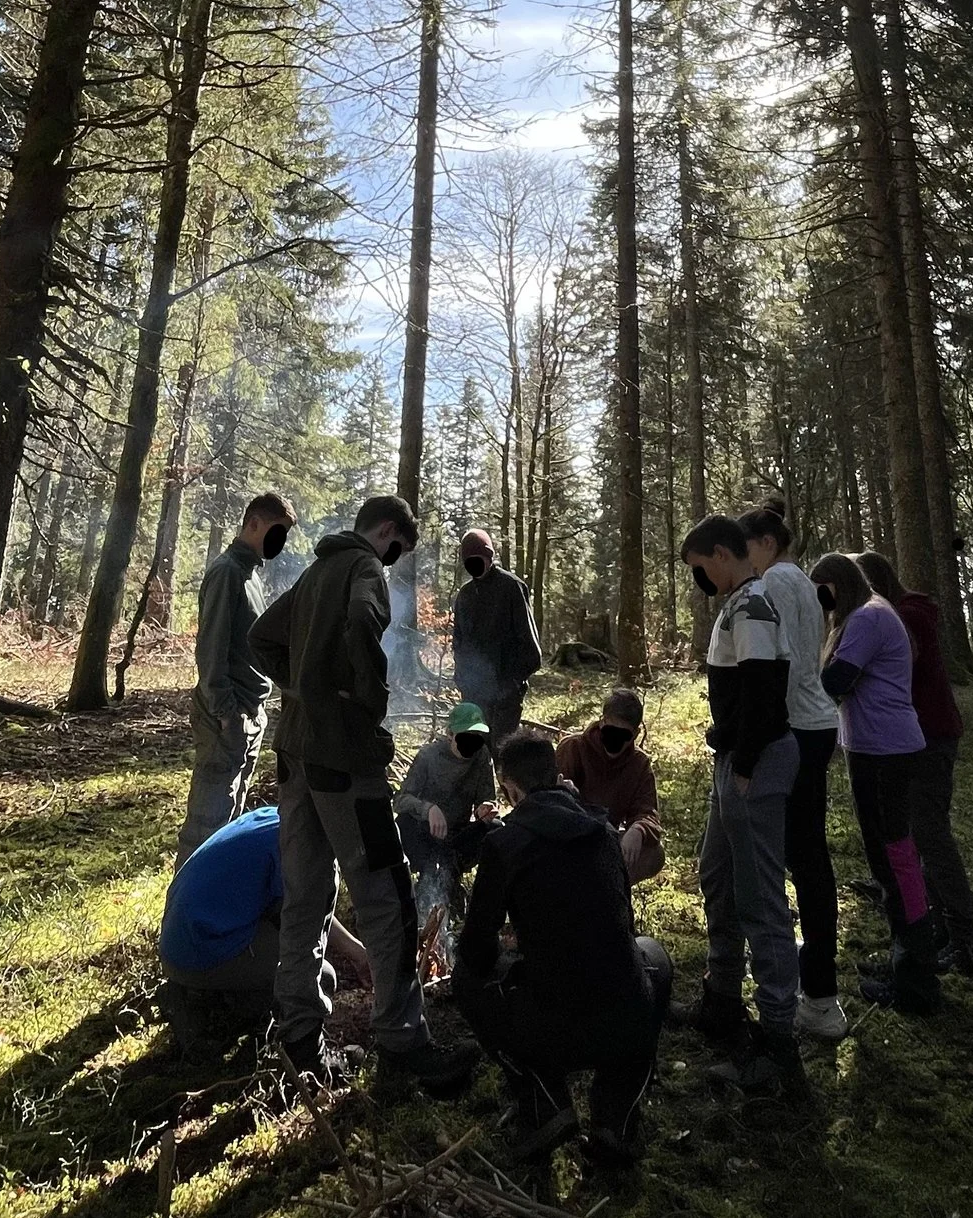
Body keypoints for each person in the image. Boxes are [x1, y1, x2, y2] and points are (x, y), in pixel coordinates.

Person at [249, 493, 479, 1092]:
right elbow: (360, 623)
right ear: (385, 533)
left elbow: (261, 639)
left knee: (306, 897)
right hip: (347, 763)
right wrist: (363, 706)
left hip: (296, 758)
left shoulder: (315, 572)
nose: (398, 560)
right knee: (388, 900)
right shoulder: (363, 570)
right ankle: (403, 1045)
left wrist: (304, 692)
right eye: (399, 548)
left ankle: (298, 1038)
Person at [457, 729, 673, 1167]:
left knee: (465, 980)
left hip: (553, 1028)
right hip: (625, 1014)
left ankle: (543, 1098)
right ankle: (617, 1113)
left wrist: (511, 954)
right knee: (655, 958)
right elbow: (623, 925)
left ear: (510, 788)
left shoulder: (503, 843)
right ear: (557, 777)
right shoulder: (604, 830)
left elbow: (477, 950)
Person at [678, 513, 805, 1097]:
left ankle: (779, 1045)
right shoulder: (738, 603)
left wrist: (748, 762)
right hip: (733, 761)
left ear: (722, 555)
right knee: (719, 874)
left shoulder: (752, 605)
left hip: (754, 765)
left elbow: (762, 690)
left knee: (761, 900)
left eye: (700, 569)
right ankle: (723, 998)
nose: (700, 580)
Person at [813, 554, 943, 1015]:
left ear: (836, 584)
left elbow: (835, 681)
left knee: (896, 858)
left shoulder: (868, 616)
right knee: (888, 859)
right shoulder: (869, 614)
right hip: (874, 749)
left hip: (886, 752)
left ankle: (917, 980)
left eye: (821, 592)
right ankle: (904, 960)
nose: (819, 603)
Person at [739, 498, 842, 1041]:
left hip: (795, 729)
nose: (745, 557)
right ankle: (821, 991)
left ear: (768, 544)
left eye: (748, 546)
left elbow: (772, 670)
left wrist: (753, 747)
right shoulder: (803, 582)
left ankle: (813, 999)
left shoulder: (773, 584)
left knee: (789, 857)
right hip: (819, 720)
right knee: (812, 857)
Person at [860, 548, 973, 976]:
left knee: (929, 835)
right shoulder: (902, 614)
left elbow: (893, 663)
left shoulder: (908, 616)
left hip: (927, 739)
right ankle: (933, 928)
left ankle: (965, 937)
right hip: (908, 739)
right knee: (912, 836)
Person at [159, 806, 369, 1052]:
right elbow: (304, 922)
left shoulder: (279, 818)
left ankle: (200, 994)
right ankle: (212, 1014)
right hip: (202, 952)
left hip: (180, 943)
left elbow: (305, 907)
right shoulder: (300, 847)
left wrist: (358, 952)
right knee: (319, 978)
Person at [176, 491, 297, 869]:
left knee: (228, 826)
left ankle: (215, 912)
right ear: (253, 524)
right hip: (227, 717)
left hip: (249, 714)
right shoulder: (227, 572)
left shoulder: (251, 576)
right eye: (275, 533)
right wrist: (226, 713)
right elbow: (211, 649)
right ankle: (182, 919)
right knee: (206, 828)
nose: (278, 544)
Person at [397, 700, 497, 926]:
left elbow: (487, 798)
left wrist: (485, 808)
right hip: (424, 833)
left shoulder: (482, 757)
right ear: (450, 734)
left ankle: (458, 884)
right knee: (403, 823)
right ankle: (426, 887)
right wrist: (428, 809)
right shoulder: (428, 757)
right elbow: (401, 800)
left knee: (495, 829)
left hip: (458, 836)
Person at [556, 687, 663, 884]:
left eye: (623, 736)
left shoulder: (639, 763)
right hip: (566, 840)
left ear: (636, 734)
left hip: (605, 842)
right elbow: (544, 805)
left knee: (653, 853)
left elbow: (648, 812)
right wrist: (566, 796)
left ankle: (608, 891)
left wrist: (639, 829)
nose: (614, 741)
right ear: (602, 722)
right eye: (610, 732)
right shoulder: (572, 748)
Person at [451, 529, 542, 741]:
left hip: (505, 700)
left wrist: (509, 686)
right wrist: (463, 682)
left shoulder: (512, 588)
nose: (474, 565)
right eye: (469, 561)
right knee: (474, 759)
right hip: (473, 699)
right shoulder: (464, 596)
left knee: (502, 757)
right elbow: (459, 644)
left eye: (478, 559)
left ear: (489, 557)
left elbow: (531, 650)